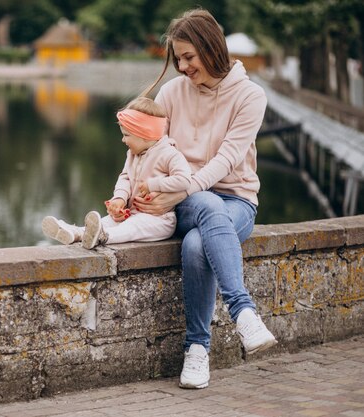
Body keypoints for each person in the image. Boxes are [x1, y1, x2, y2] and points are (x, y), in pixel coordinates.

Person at [132, 8, 277, 389]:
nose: (182, 67)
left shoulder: (250, 96)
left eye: (188, 57)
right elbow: (146, 150)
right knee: (206, 207)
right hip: (180, 200)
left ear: (211, 47)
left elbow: (227, 160)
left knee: (198, 244)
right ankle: (243, 312)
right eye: (177, 58)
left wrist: (180, 190)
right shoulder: (171, 93)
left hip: (236, 200)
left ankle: (197, 350)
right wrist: (143, 191)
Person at [42, 96, 192, 250]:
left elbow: (184, 180)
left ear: (145, 134)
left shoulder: (170, 154)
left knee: (133, 226)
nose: (123, 140)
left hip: (159, 220)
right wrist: (120, 198)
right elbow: (125, 177)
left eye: (126, 135)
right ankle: (77, 233)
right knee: (109, 221)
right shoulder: (132, 154)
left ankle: (103, 236)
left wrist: (153, 184)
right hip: (132, 213)